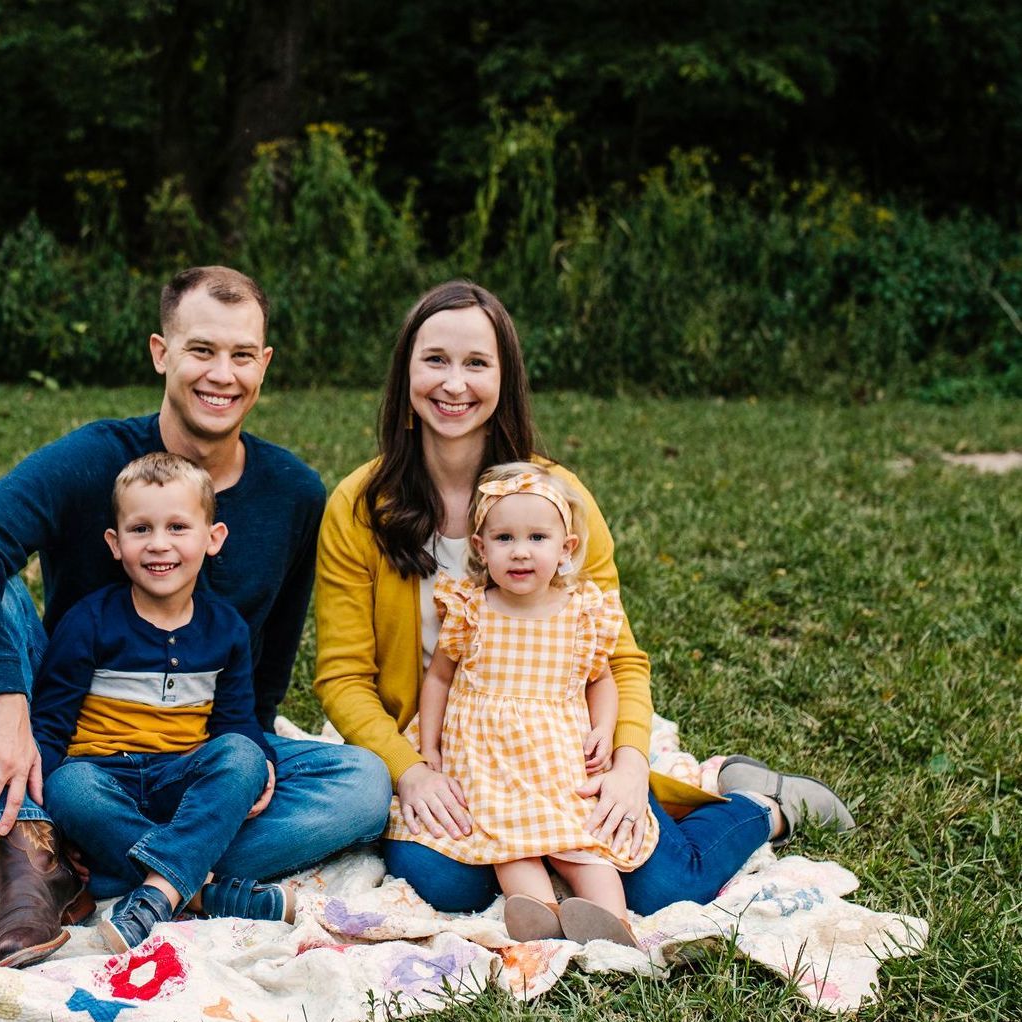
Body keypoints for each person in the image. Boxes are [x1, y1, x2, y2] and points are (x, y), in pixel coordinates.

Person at [314, 279, 855, 919]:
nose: (453, 383)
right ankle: (538, 872)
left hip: (555, 743)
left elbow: (619, 658)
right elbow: (343, 677)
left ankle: (761, 808)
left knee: (658, 890)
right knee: (447, 884)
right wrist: (411, 770)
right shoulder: (359, 505)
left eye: (476, 363)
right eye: (435, 360)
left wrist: (627, 765)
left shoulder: (559, 499)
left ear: (504, 378)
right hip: (451, 750)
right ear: (406, 372)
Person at [0, 266, 390, 968]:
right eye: (200, 350)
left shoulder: (292, 492)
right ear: (161, 352)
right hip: (79, 749)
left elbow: (264, 668)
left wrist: (244, 756)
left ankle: (106, 868)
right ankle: (36, 851)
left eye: (239, 355)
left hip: (196, 750)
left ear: (263, 364)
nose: (219, 374)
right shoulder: (94, 459)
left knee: (362, 785)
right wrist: (7, 702)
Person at [31, 452, 294, 954]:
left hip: (183, 782)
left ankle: (143, 885)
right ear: (115, 542)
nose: (159, 544)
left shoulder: (226, 629)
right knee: (69, 786)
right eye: (140, 529)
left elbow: (236, 719)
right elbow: (50, 724)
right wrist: (46, 825)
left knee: (242, 755)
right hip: (105, 777)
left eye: (177, 527)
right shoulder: (90, 622)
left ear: (212, 538)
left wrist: (261, 762)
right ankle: (197, 891)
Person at [410, 462, 650, 947]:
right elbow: (438, 678)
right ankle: (539, 913)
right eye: (504, 539)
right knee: (507, 841)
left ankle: (610, 921)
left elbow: (601, 679)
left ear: (567, 549)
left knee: (584, 841)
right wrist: (429, 744)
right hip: (488, 762)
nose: (520, 552)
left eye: (538, 538)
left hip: (557, 755)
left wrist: (605, 728)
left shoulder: (583, 611)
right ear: (481, 548)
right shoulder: (471, 609)